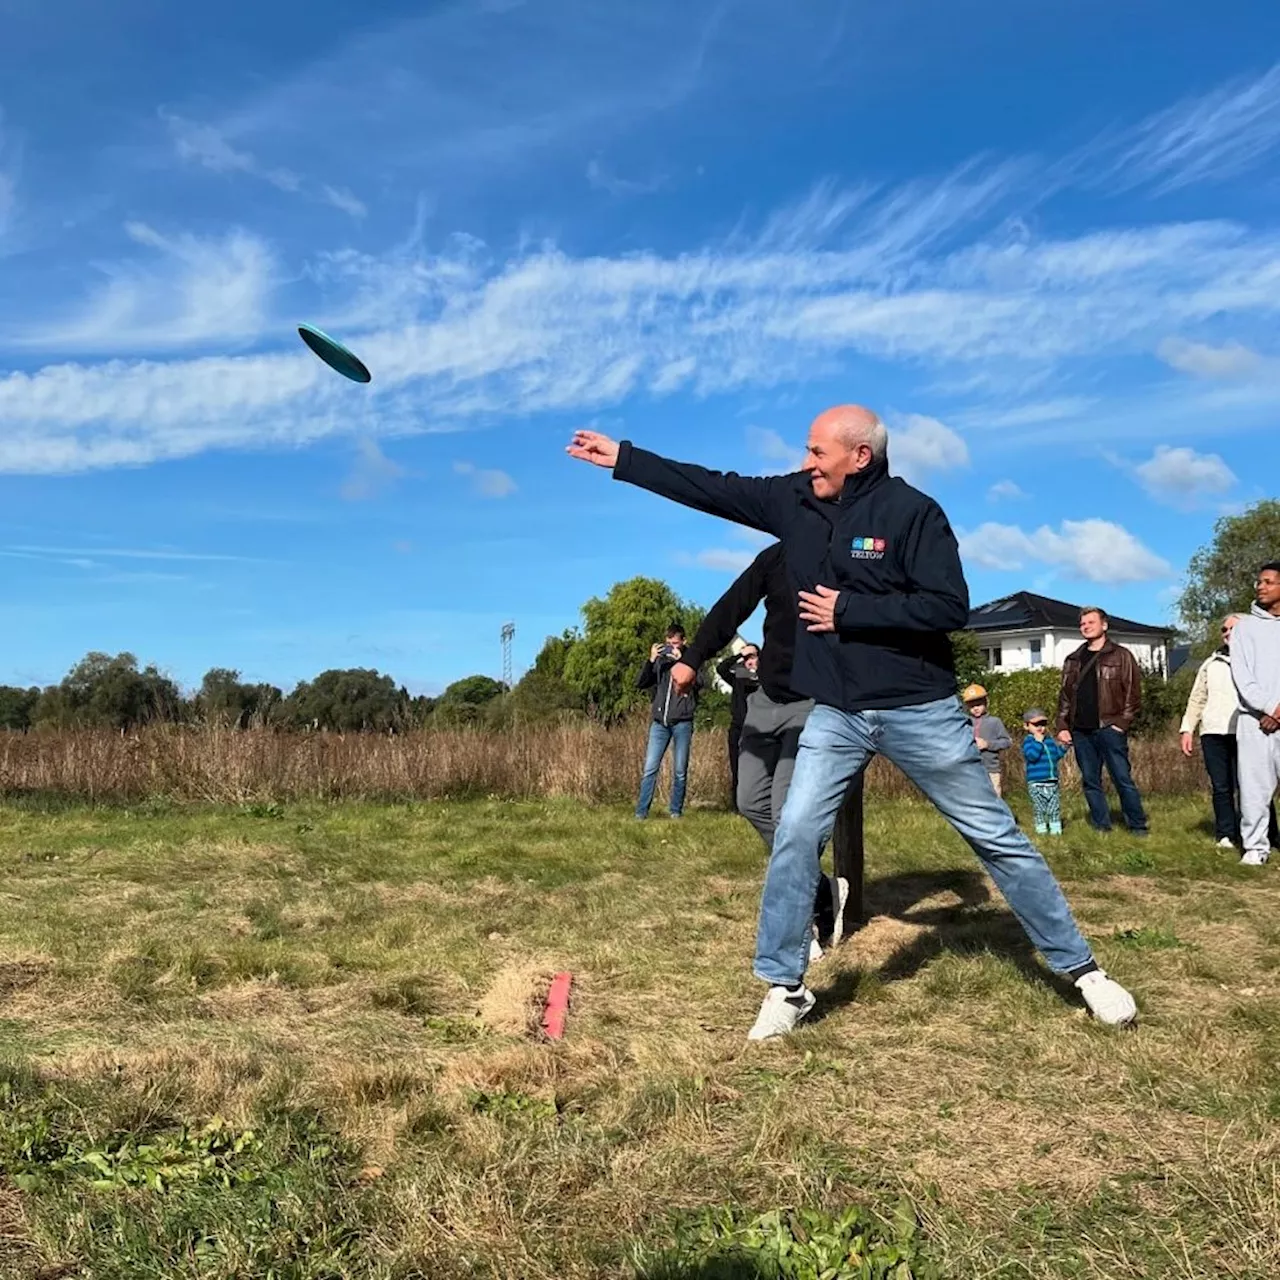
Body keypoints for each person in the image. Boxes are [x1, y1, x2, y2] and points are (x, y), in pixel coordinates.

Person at [567, 409, 1136, 1039]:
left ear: (859, 455)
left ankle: (1082, 970)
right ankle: (785, 985)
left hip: (919, 707)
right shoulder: (795, 500)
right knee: (795, 833)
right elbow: (714, 486)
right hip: (836, 714)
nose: (808, 463)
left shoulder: (914, 513)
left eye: (818, 452)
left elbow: (948, 605)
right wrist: (624, 458)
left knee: (995, 836)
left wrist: (851, 610)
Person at [678, 541, 860, 957]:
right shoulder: (776, 556)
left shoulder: (848, 556)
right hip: (766, 699)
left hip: (814, 701)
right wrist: (693, 657)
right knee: (749, 801)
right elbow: (732, 606)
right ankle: (822, 888)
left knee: (785, 811)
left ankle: (802, 924)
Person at [1054, 608, 1149, 837]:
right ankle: (1101, 826)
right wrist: (1063, 726)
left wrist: (1121, 723)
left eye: (1091, 622)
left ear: (1104, 625)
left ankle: (1137, 826)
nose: (1086, 626)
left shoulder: (1121, 655)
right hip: (1081, 731)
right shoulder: (1073, 659)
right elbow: (1065, 696)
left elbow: (1133, 693)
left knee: (1122, 779)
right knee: (1090, 781)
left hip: (1109, 728)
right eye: (1082, 623)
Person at [1230, 563, 1280, 867]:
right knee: (1253, 787)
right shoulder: (1245, 627)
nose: (1260, 587)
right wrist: (1268, 707)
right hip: (1254, 721)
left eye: (1268, 582)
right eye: (1258, 582)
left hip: (1274, 715)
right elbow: (1242, 675)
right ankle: (1255, 847)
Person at [634, 624, 703, 820]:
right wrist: (651, 660)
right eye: (668, 643)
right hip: (659, 722)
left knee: (680, 770)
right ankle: (641, 813)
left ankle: (675, 811)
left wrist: (684, 663)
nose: (671, 647)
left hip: (682, 721)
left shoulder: (693, 659)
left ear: (683, 642)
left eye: (675, 644)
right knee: (650, 768)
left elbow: (701, 683)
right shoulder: (661, 661)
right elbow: (641, 683)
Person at [717, 643, 759, 809]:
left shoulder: (766, 679)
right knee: (737, 769)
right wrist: (740, 655)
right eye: (746, 659)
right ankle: (737, 807)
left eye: (753, 657)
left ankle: (757, 804)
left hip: (758, 729)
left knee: (757, 770)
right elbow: (721, 668)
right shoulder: (738, 678)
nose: (749, 662)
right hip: (738, 728)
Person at [1022, 707, 1069, 836]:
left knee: (1054, 807)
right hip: (1036, 782)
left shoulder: (1049, 740)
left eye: (1043, 724)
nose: (1040, 728)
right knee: (1040, 808)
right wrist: (1038, 743)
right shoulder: (1029, 741)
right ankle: (1041, 831)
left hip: (1052, 781)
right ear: (1026, 726)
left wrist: (1064, 747)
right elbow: (1031, 756)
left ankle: (1056, 831)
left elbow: (1055, 755)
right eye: (1036, 724)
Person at [961, 684, 1011, 797]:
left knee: (994, 797)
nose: (976, 708)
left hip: (991, 768)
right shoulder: (965, 723)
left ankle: (997, 814)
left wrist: (988, 744)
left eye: (978, 704)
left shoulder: (995, 722)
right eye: (972, 706)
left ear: (986, 702)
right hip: (970, 768)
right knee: (974, 797)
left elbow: (1007, 741)